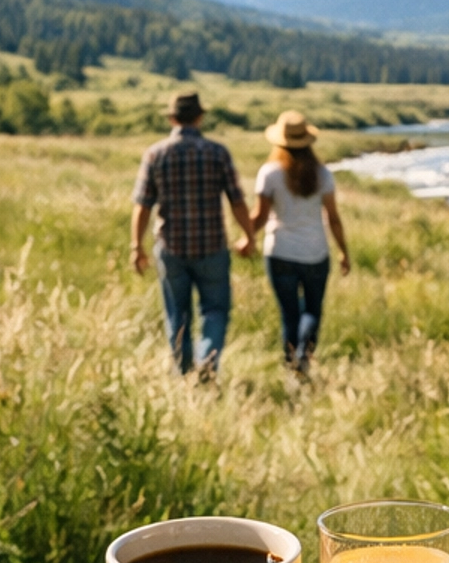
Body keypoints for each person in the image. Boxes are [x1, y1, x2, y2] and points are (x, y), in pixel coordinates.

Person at [131, 91, 255, 379]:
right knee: (214, 310)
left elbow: (143, 206)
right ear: (200, 117)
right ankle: (208, 362)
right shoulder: (218, 152)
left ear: (172, 118)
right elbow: (237, 201)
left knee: (178, 313)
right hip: (211, 245)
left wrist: (136, 246)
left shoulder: (155, 154)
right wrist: (249, 235)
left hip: (172, 246)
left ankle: (184, 372)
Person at [250, 110, 349, 375]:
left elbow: (259, 217)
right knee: (313, 311)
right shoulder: (322, 174)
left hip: (280, 251)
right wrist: (344, 252)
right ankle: (305, 356)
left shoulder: (270, 173)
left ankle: (291, 363)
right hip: (315, 252)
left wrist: (246, 238)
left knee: (289, 313)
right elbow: (334, 218)